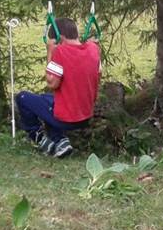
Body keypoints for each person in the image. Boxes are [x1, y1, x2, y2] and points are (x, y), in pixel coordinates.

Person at [15, 17, 100, 157]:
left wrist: (50, 52)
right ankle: (60, 142)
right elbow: (99, 71)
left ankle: (39, 138)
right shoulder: (93, 49)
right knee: (46, 99)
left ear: (60, 38)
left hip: (67, 119)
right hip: (85, 116)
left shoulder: (60, 52)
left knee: (22, 98)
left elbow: (52, 83)